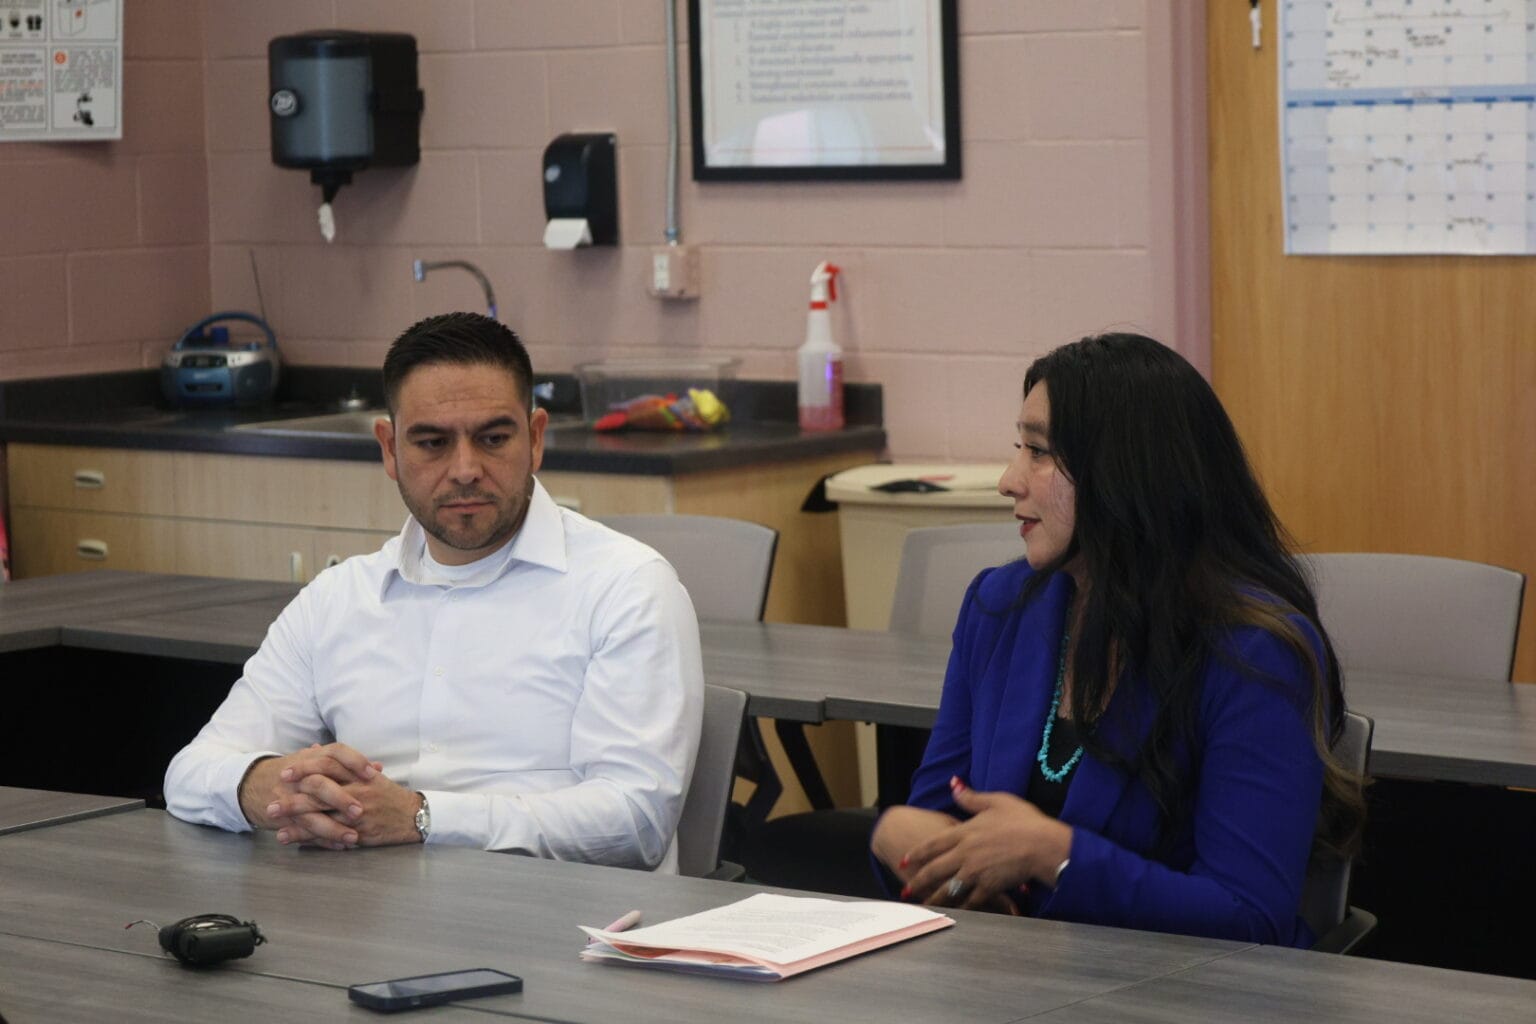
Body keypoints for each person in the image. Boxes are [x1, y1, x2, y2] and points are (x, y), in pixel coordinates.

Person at [870, 332, 1365, 946]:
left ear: (1129, 475)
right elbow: (933, 821)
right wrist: (901, 836)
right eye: (1016, 448)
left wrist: (1053, 854)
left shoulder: (1253, 651)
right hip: (1009, 976)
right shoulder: (998, 608)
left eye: (1039, 453)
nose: (1008, 480)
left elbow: (1250, 916)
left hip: (1183, 996)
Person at [164, 312, 704, 871]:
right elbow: (190, 772)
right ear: (390, 450)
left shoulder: (626, 587)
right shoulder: (338, 598)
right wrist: (263, 786)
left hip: (562, 929)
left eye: (493, 438)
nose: (466, 469)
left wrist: (423, 818)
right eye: (432, 442)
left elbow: (635, 821)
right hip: (369, 923)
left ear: (537, 439)